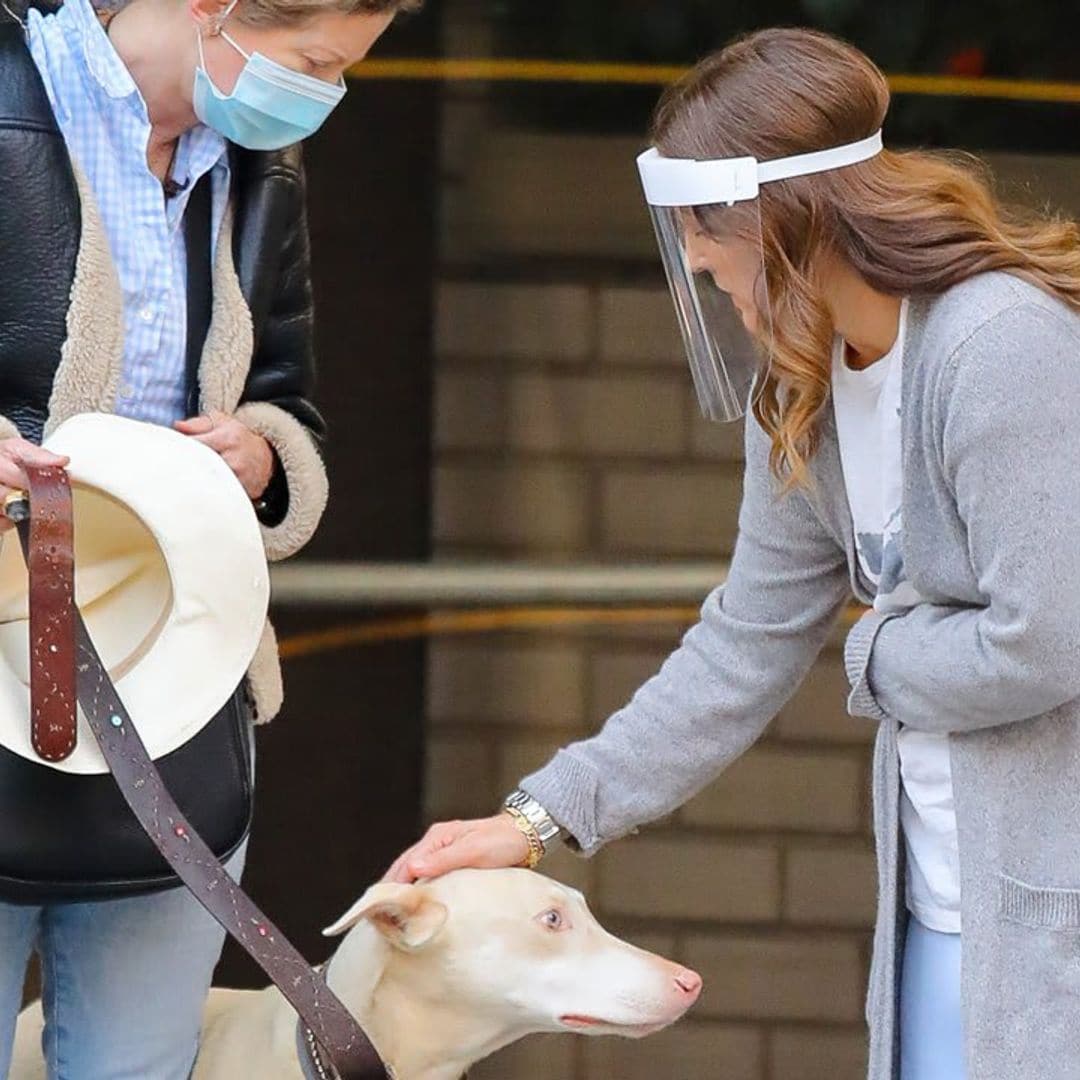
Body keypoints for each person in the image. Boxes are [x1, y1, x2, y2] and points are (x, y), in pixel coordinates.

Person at [386, 27, 1080, 1080]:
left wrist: (874, 659)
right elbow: (745, 644)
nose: (722, 300)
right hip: (943, 907)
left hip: (1052, 914)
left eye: (717, 268)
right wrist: (537, 818)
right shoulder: (801, 390)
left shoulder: (999, 345)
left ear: (781, 223)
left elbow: (1048, 643)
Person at [0, 0, 417, 1073]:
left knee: (139, 1062)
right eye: (314, 60)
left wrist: (264, 456)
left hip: (176, 693)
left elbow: (286, 392)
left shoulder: (261, 165)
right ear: (210, 8)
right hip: (6, 654)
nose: (322, 93)